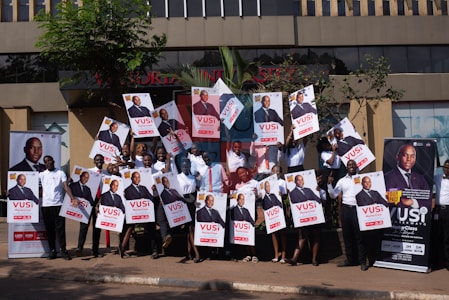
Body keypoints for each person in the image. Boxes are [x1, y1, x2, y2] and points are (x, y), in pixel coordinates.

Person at [327, 159, 368, 271]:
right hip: (346, 209)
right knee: (347, 236)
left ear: (356, 166)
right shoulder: (341, 181)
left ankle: (362, 261)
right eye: (349, 165)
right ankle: (350, 260)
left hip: (357, 209)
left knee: (359, 236)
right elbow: (333, 195)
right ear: (346, 167)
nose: (351, 166)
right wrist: (329, 184)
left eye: (353, 164)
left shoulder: (361, 179)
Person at [39, 155, 76, 260]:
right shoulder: (41, 175)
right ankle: (52, 251)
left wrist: (72, 198)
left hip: (58, 205)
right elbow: (29, 184)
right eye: (46, 161)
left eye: (49, 160)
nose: (48, 163)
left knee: (60, 230)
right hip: (46, 206)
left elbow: (65, 186)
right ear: (44, 164)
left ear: (53, 161)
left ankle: (63, 251)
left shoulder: (60, 173)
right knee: (49, 230)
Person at [77, 154, 107, 258]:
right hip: (89, 201)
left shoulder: (106, 174)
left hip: (100, 201)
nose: (99, 161)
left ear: (103, 161)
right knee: (84, 225)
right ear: (94, 161)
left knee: (97, 227)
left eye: (101, 160)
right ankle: (79, 248)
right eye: (97, 160)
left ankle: (95, 250)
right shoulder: (88, 172)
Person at [121, 171, 155, 258]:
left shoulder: (144, 188)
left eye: (138, 177)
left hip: (144, 212)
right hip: (133, 213)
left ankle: (154, 250)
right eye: (135, 177)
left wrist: (153, 191)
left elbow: (150, 198)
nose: (137, 179)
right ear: (131, 179)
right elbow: (130, 199)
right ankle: (122, 249)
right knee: (129, 229)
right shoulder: (128, 189)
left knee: (150, 227)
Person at [384, 143, 430, 208]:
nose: (409, 159)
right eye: (405, 155)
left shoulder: (420, 178)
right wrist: (403, 202)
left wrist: (413, 202)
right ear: (397, 157)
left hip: (417, 216)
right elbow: (390, 199)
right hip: (397, 216)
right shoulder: (389, 177)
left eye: (412, 156)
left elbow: (428, 199)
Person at [177, 158, 201, 263]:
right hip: (184, 204)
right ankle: (197, 253)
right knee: (190, 228)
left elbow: (197, 190)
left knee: (190, 229)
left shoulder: (193, 178)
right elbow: (179, 193)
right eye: (183, 166)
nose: (185, 167)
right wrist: (191, 200)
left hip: (193, 205)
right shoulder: (178, 177)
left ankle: (189, 252)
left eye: (187, 166)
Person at [433, 159, 449, 271]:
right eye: (445, 167)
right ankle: (438, 262)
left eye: (448, 167)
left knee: (447, 238)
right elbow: (426, 177)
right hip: (438, 210)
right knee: (437, 236)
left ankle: (447, 263)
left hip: (448, 210)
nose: (446, 169)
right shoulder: (438, 177)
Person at [270, 165, 288, 264]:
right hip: (271, 209)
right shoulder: (268, 183)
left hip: (280, 208)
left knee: (282, 232)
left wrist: (283, 194)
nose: (275, 173)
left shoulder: (283, 182)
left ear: (280, 173)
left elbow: (285, 197)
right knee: (274, 232)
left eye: (277, 171)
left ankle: (284, 256)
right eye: (273, 171)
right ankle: (276, 254)